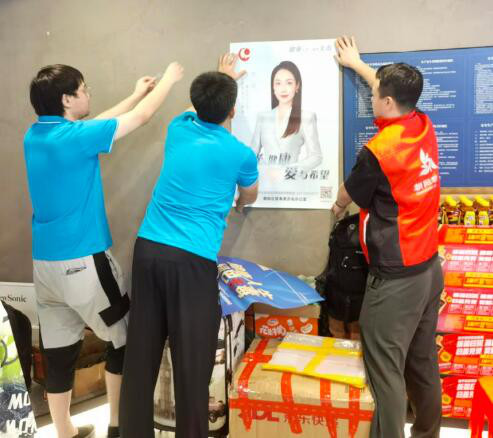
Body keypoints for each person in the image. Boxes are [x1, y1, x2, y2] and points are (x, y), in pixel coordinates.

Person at [24, 61, 184, 438]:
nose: (89, 94)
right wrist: (169, 79)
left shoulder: (36, 135)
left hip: (45, 269)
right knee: (124, 339)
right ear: (67, 99)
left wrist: (135, 92)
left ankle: (65, 431)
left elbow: (94, 126)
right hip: (84, 263)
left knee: (59, 352)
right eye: (84, 89)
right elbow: (141, 118)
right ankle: (117, 426)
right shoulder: (74, 138)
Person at [119, 53, 258, 438]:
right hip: (192, 261)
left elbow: (194, 107)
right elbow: (249, 194)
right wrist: (239, 202)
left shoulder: (178, 128)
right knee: (193, 363)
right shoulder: (241, 154)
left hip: (148, 250)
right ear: (233, 110)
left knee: (141, 353)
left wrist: (222, 78)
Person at [332, 36, 444, 438]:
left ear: (388, 102)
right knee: (422, 361)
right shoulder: (422, 124)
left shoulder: (379, 151)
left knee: (385, 373)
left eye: (375, 93)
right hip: (429, 270)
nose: (371, 96)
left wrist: (336, 206)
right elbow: (386, 86)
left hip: (396, 280)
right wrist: (357, 64)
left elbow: (348, 193)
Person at [251, 60, 322, 170]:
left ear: (297, 86)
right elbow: (252, 154)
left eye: (289, 83)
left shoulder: (307, 117)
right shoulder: (263, 117)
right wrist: (264, 169)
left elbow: (316, 156)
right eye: (278, 83)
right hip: (266, 179)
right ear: (273, 87)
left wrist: (288, 170)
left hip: (291, 178)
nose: (283, 89)